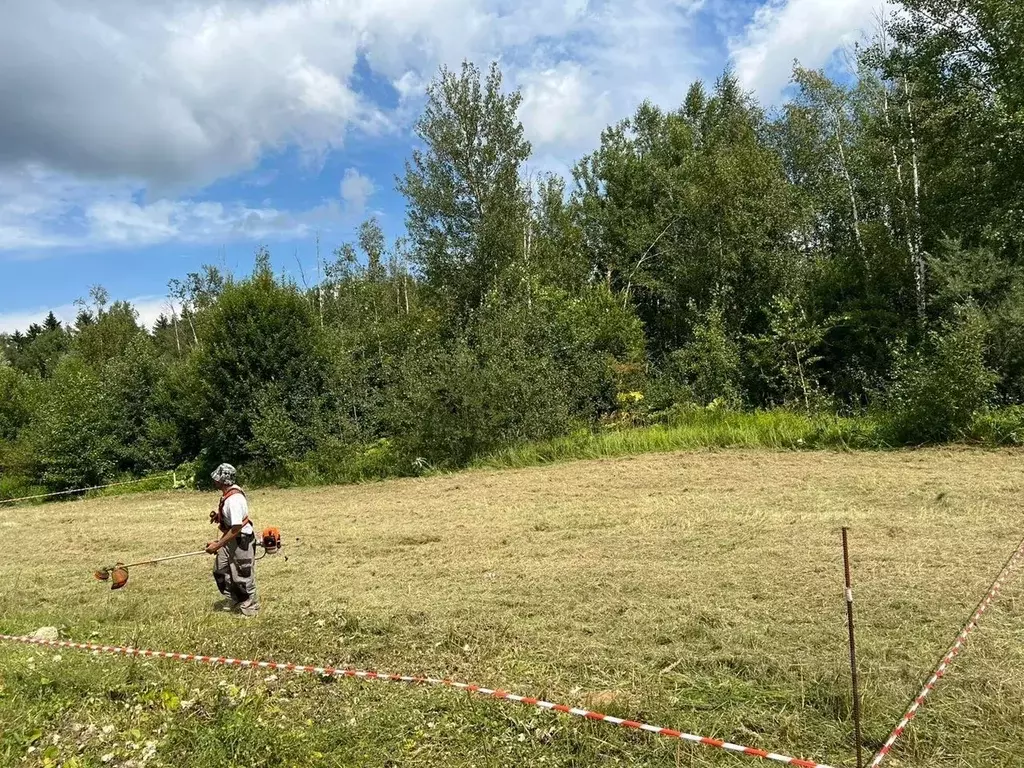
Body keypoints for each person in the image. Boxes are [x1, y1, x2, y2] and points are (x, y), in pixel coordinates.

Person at [207, 463, 259, 617]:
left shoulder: (234, 499)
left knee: (242, 575)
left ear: (222, 480)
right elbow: (232, 520)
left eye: (216, 478)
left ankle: (250, 610)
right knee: (220, 570)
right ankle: (234, 600)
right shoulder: (227, 495)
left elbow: (236, 528)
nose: (214, 481)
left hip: (241, 540)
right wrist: (219, 517)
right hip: (231, 539)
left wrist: (217, 545)